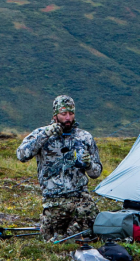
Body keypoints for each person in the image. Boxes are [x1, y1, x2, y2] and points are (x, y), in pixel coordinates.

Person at [17, 94, 103, 241]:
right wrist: (46, 134)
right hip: (53, 199)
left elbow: (96, 172)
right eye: (64, 114)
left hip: (80, 198)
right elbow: (22, 155)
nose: (68, 118)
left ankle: (75, 234)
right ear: (56, 114)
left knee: (94, 227)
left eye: (71, 113)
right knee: (54, 237)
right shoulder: (41, 133)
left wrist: (88, 164)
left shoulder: (85, 137)